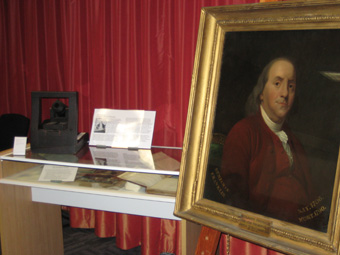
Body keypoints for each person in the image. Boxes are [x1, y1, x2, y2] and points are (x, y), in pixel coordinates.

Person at [220, 57, 317, 225]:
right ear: (261, 93)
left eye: (291, 86)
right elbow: (234, 199)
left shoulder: (295, 143)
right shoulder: (243, 132)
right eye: (277, 84)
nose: (285, 93)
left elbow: (311, 199)